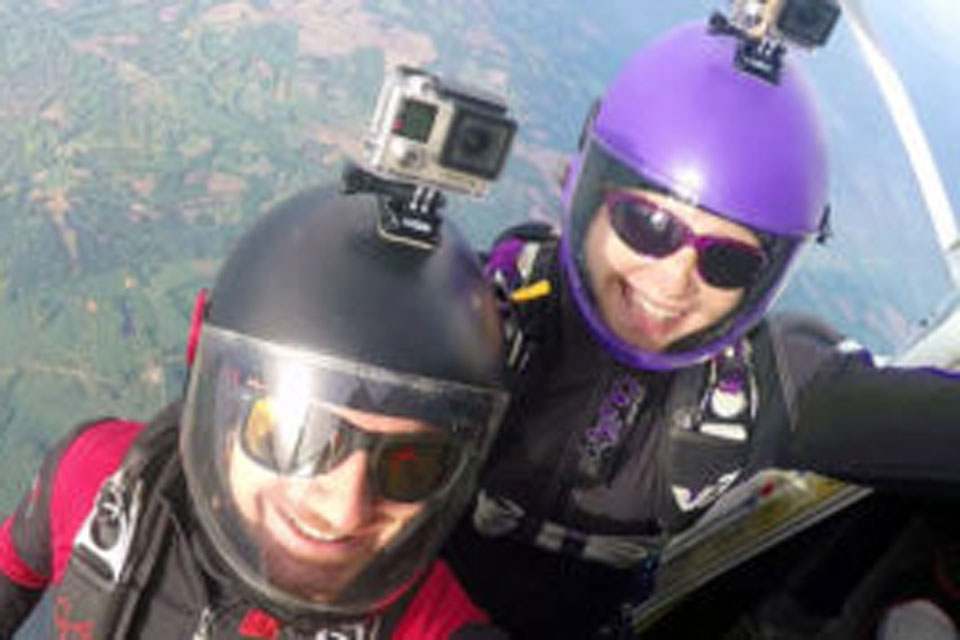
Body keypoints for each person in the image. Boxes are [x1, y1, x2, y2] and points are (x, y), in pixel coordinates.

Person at [444, 20, 960, 640]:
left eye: (728, 261)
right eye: (648, 225)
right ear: (589, 191)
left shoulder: (761, 386)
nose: (675, 280)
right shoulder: (472, 314)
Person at [0, 186, 511, 639]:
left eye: (413, 466)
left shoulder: (431, 627)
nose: (343, 511)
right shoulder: (93, 473)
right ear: (222, 390)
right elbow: (15, 567)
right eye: (299, 436)